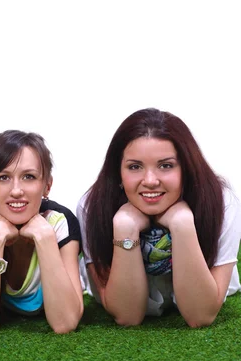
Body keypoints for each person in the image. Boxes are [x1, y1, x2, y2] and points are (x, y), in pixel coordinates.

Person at [78, 108, 241, 327]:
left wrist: (182, 224)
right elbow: (127, 316)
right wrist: (125, 227)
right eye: (135, 167)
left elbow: (200, 316)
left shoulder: (222, 203)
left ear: (187, 169)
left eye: (166, 166)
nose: (150, 180)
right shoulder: (93, 207)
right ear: (118, 172)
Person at [0, 130, 83, 334]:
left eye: (29, 177)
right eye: (4, 177)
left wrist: (45, 238)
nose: (16, 190)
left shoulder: (59, 222)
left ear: (47, 186)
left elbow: (65, 323)